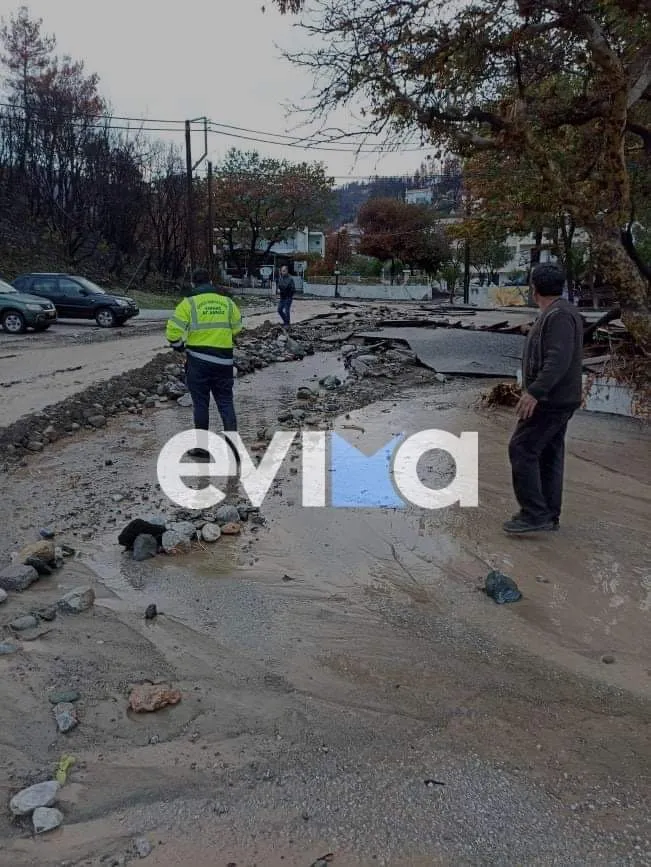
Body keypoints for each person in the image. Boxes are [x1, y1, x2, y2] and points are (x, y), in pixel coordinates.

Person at [503, 262, 584, 534]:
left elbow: (557, 360)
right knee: (548, 454)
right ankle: (548, 514)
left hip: (551, 400)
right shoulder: (557, 313)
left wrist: (534, 393)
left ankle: (534, 513)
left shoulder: (559, 316)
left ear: (533, 288)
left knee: (522, 448)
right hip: (560, 398)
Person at [166, 269, 242, 460]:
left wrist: (179, 347)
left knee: (201, 405)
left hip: (198, 362)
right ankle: (233, 449)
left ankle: (201, 449)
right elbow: (238, 327)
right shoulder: (227, 302)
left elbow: (172, 331)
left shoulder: (188, 303)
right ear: (210, 282)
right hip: (224, 361)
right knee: (225, 403)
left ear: (193, 284)